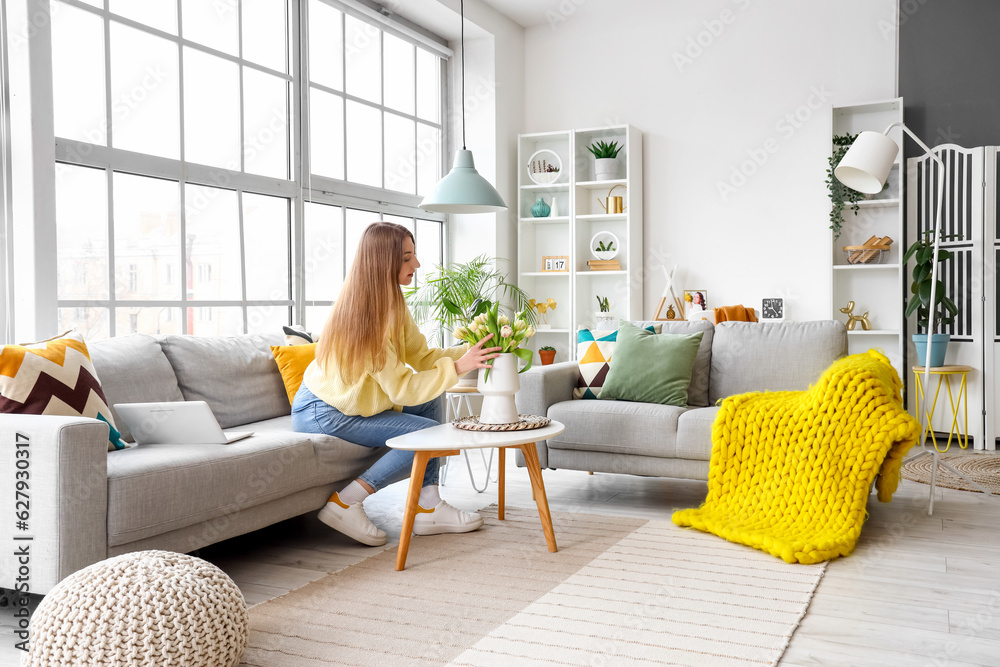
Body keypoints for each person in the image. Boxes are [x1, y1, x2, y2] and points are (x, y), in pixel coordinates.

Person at [291, 222, 502, 546]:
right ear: (383, 261)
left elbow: (421, 356)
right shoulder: (367, 320)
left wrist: (472, 352)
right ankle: (346, 502)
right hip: (322, 410)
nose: (416, 264)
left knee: (431, 401)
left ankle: (427, 506)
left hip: (353, 402)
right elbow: (403, 389)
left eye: (414, 255)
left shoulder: (392, 302)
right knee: (427, 434)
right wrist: (459, 367)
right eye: (407, 257)